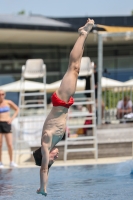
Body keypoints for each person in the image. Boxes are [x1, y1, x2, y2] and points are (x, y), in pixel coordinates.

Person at [33, 18, 95, 196]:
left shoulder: (45, 142)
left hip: (60, 101)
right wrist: (41, 187)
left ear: (45, 155)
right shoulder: (49, 144)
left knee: (73, 68)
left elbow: (44, 169)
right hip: (63, 103)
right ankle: (84, 36)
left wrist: (43, 188)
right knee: (75, 69)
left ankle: (82, 34)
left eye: (52, 159)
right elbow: (46, 168)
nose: (56, 157)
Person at [0, 90, 19, 168]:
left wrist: (11, 119)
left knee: (10, 144)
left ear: (5, 95)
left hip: (7, 124)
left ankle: (11, 161)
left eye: (2, 94)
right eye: (0, 94)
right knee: (0, 144)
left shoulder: (8, 102)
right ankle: (0, 162)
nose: (1, 95)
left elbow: (17, 109)